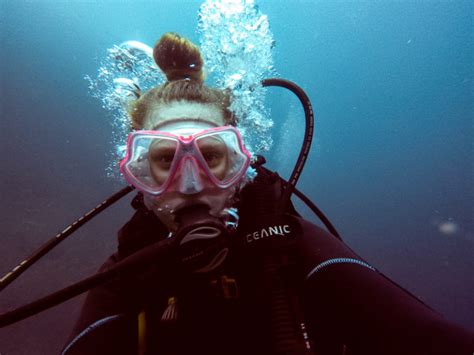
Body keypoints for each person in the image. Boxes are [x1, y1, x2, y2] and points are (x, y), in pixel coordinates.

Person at [62, 33, 473, 355]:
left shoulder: (288, 245)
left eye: (211, 157)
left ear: (241, 166)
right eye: (166, 161)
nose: (190, 184)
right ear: (137, 173)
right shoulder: (128, 273)